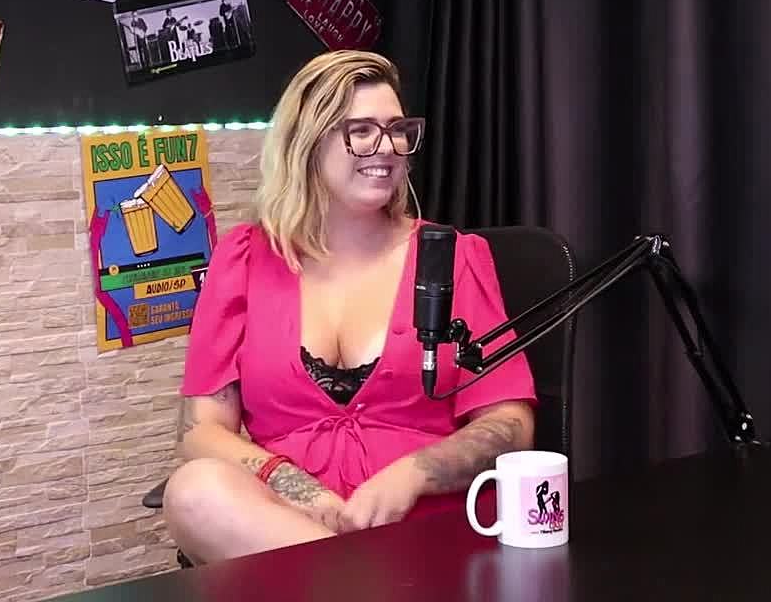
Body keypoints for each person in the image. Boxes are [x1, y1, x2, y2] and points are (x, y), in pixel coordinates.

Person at [164, 50, 537, 564]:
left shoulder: (453, 258)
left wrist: (411, 475)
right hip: (290, 534)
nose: (387, 148)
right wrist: (294, 486)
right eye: (361, 131)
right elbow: (201, 432)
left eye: (398, 130)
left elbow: (510, 424)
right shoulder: (243, 259)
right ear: (306, 142)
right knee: (193, 490)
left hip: (424, 535)